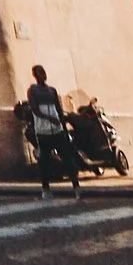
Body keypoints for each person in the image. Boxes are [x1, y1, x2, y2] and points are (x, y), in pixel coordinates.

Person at [24, 65, 79, 200]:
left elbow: (59, 109)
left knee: (68, 158)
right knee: (45, 161)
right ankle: (45, 189)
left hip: (57, 130)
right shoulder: (32, 91)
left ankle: (76, 187)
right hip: (43, 131)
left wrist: (63, 127)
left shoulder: (52, 91)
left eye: (43, 71)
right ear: (35, 76)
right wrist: (50, 118)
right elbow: (35, 109)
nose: (43, 74)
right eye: (39, 73)